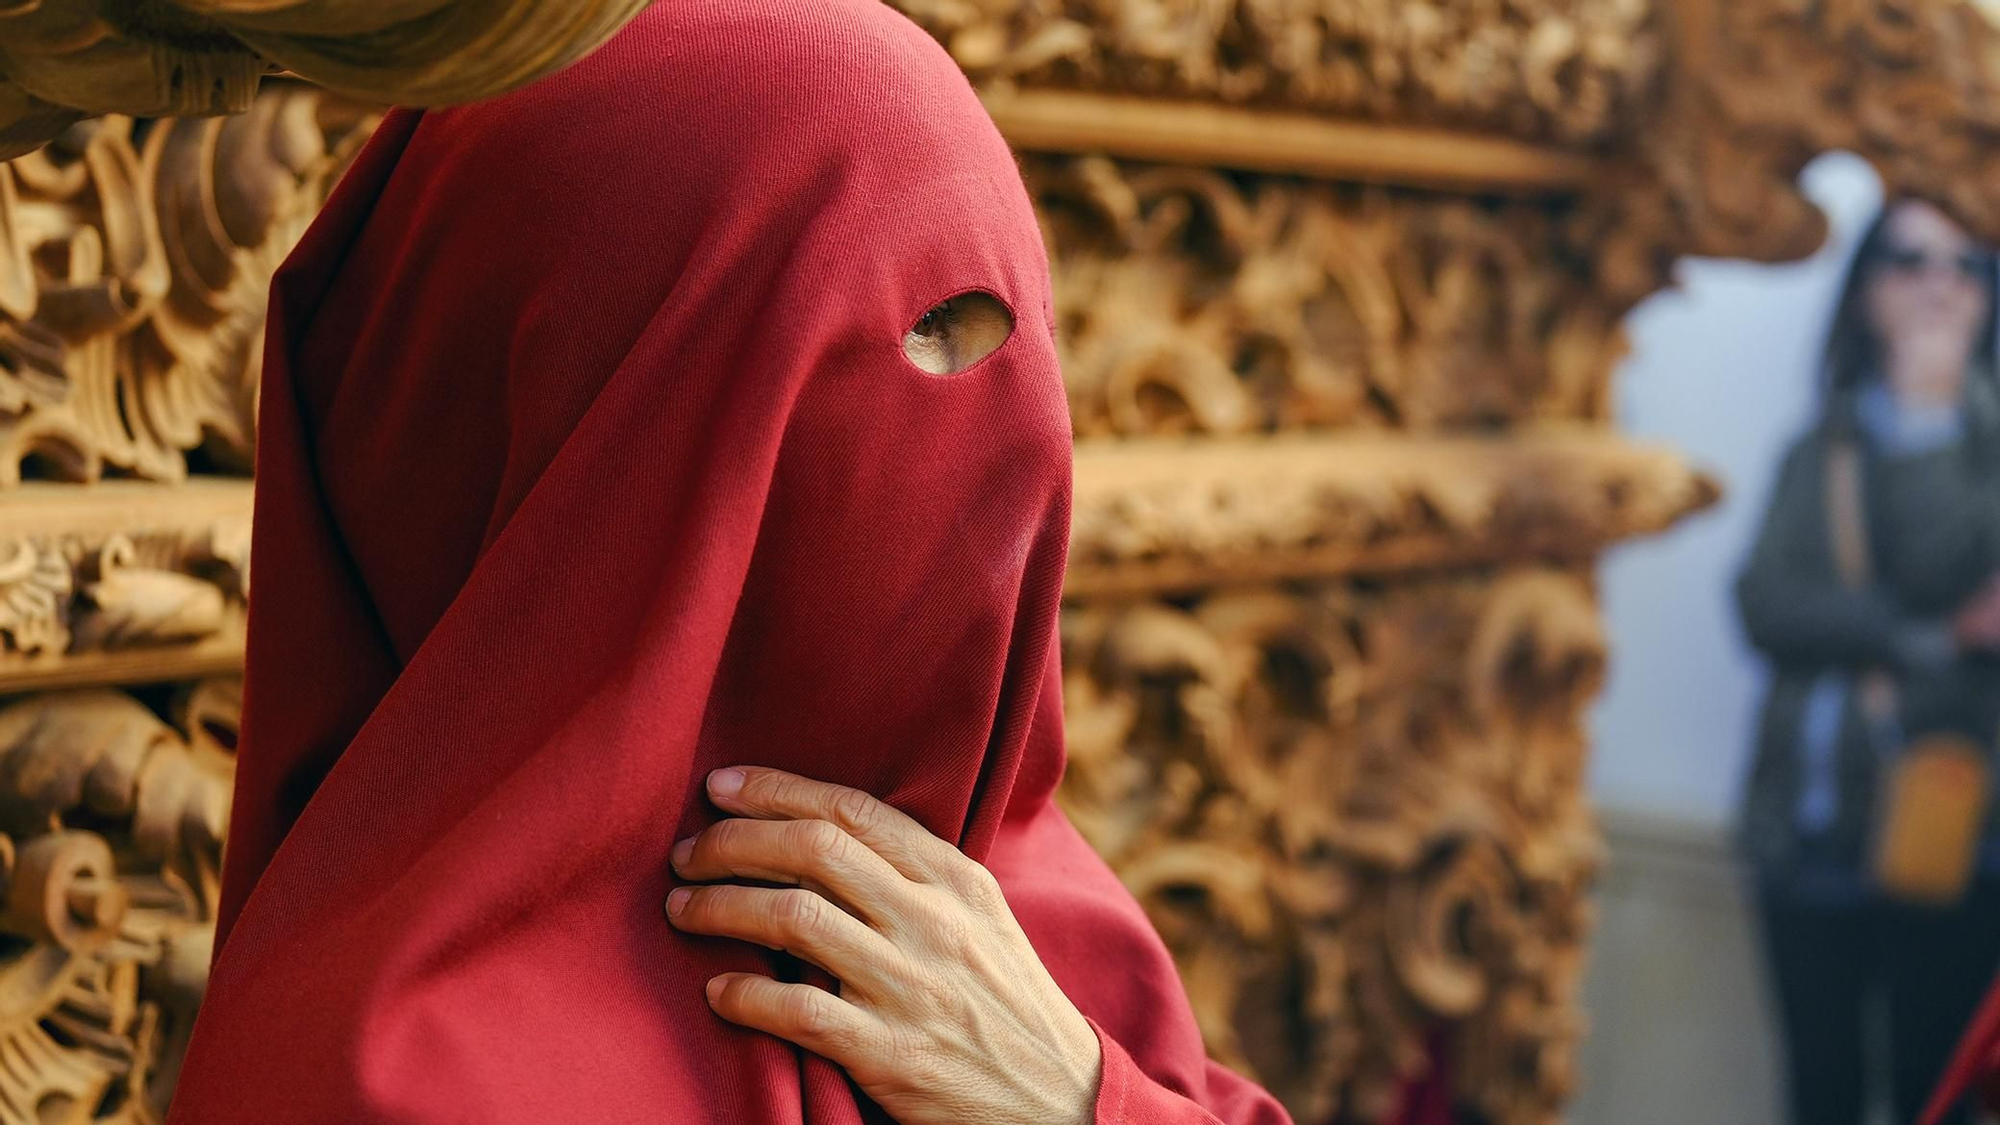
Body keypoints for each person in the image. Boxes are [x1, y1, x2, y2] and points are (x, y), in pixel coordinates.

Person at [160, 3, 1300, 1123]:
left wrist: (1071, 1096)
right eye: (905, 334)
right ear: (573, 426)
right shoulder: (382, 1088)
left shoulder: (1007, 924)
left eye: (991, 332)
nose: (996, 441)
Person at [1736, 197, 2000, 1125]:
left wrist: (1930, 411)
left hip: (1947, 839)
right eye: (1908, 258)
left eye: (1967, 265)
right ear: (1862, 289)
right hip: (1802, 834)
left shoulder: (1987, 445)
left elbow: (1939, 555)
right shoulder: (1824, 443)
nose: (1938, 284)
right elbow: (1765, 602)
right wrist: (1928, 635)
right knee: (1823, 1094)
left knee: (1936, 1095)